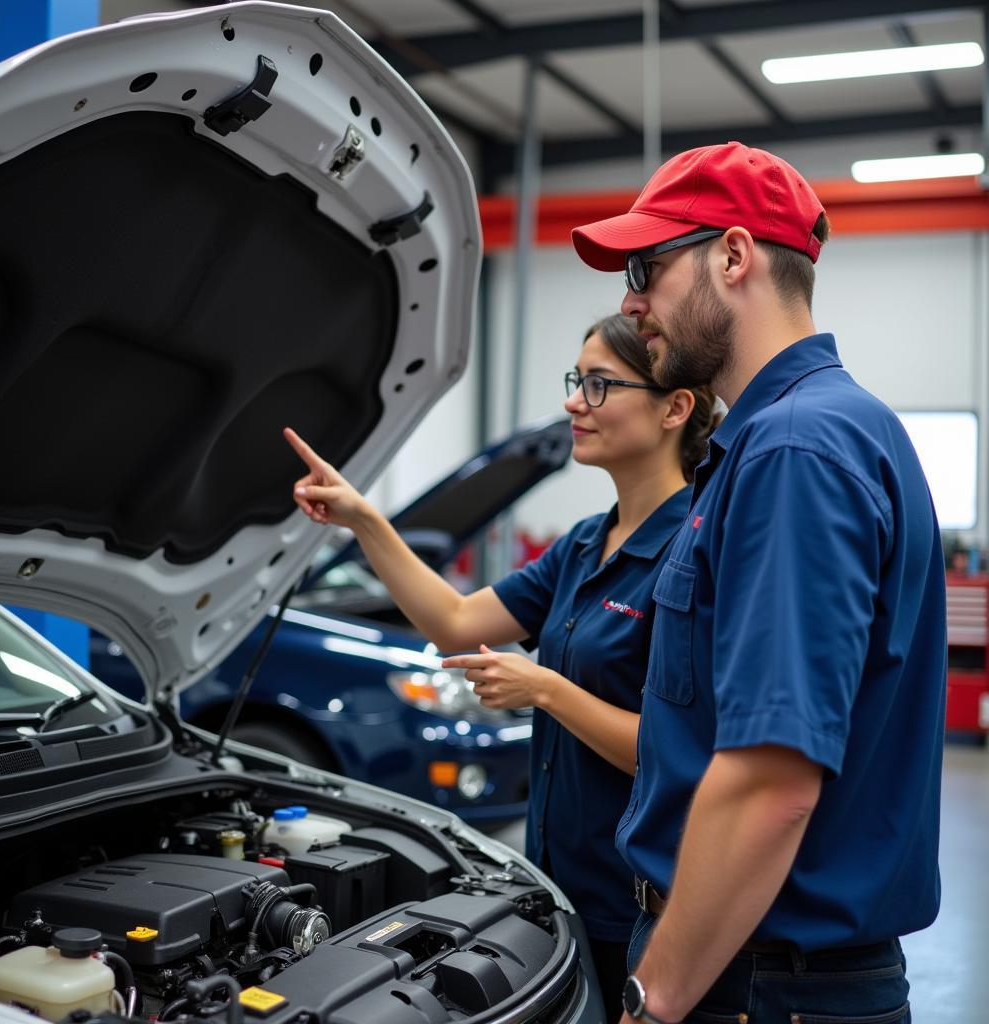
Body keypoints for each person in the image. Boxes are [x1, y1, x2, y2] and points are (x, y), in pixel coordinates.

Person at [570, 141, 946, 1023]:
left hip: (754, 986)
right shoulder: (809, 435)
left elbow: (771, 782)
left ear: (733, 256)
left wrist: (651, 999)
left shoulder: (793, 450)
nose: (632, 300)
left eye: (648, 266)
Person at [284, 314, 718, 1024]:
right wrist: (365, 520)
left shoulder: (697, 553)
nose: (575, 402)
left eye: (601, 384)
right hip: (554, 890)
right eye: (578, 381)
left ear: (676, 408)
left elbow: (677, 752)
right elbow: (456, 622)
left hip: (636, 912)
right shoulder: (586, 545)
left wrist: (544, 688)